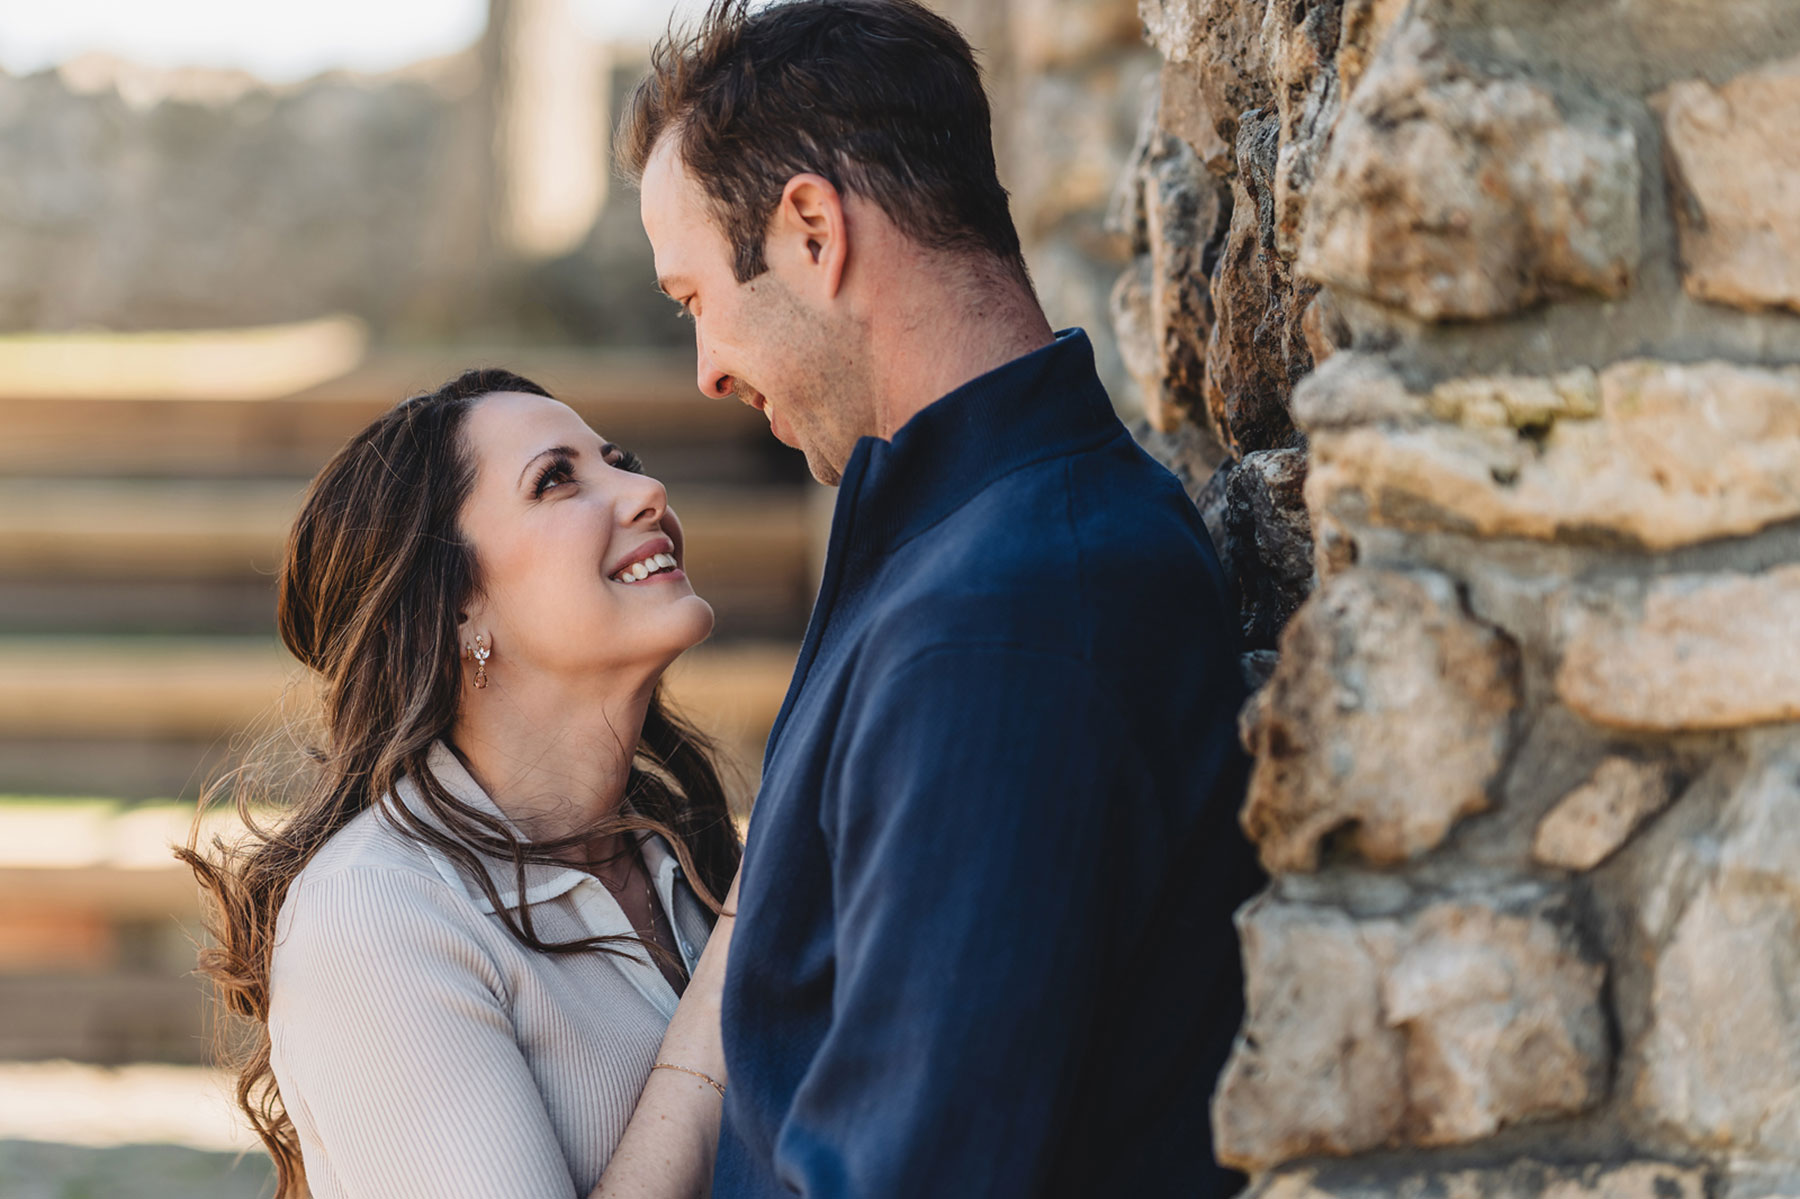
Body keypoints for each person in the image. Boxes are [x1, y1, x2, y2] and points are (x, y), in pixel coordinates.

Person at [622, 2, 1265, 1195]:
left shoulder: (1004, 621)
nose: (705, 365)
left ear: (813, 230)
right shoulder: (970, 554)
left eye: (695, 296)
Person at [181, 369, 745, 1199]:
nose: (646, 489)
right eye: (558, 480)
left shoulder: (683, 858)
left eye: (620, 459)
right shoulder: (375, 910)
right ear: (456, 608)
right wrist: (731, 978)